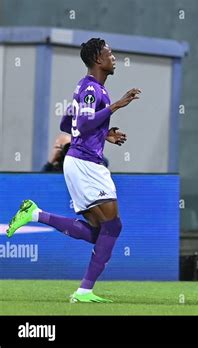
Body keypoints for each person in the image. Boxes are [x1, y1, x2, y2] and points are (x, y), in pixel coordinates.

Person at [6, 38, 140, 303]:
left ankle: (35, 214)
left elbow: (67, 122)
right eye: (109, 53)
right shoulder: (93, 89)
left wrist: (105, 134)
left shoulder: (85, 86)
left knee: (103, 232)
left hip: (81, 162)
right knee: (112, 228)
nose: (113, 57)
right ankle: (84, 291)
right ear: (97, 60)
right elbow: (82, 122)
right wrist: (114, 107)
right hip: (86, 164)